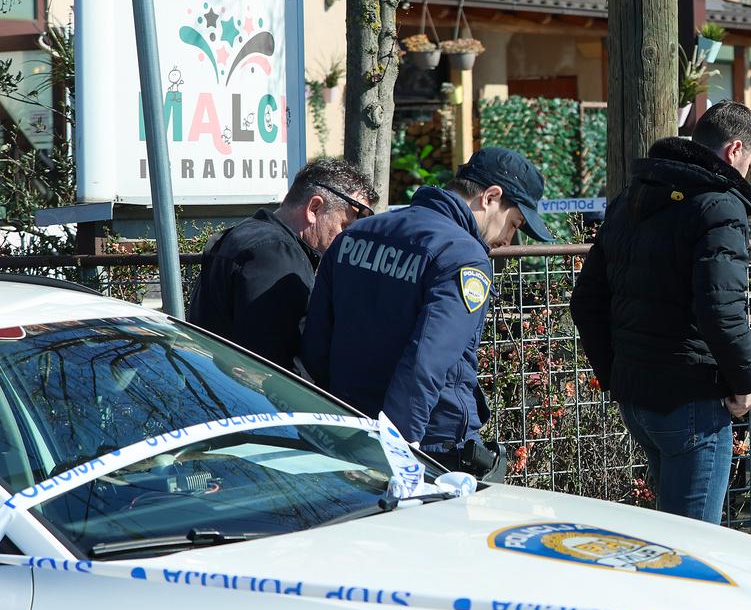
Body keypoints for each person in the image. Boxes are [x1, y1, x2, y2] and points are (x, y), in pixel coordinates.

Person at [569, 100, 751, 524]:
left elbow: (586, 301)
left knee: (669, 538)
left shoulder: (630, 197)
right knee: (692, 552)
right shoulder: (720, 207)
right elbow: (721, 309)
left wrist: (616, 374)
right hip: (692, 398)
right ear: (734, 151)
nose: (748, 172)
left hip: (638, 396)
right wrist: (747, 381)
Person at [301, 146, 550, 480]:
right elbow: (426, 362)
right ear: (491, 197)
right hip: (427, 446)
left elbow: (317, 342)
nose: (509, 239)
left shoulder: (356, 235)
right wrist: (399, 453)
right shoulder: (463, 256)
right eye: (514, 222)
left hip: (349, 429)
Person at [187, 158, 376, 374]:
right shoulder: (278, 255)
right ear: (314, 208)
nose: (345, 238)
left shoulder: (247, 234)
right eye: (344, 225)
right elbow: (272, 364)